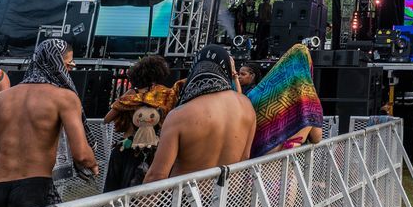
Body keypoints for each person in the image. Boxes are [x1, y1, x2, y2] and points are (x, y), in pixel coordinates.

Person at [0, 38, 94, 207]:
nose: (69, 70)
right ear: (56, 63)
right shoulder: (64, 98)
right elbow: (81, 154)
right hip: (35, 187)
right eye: (69, 65)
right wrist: (92, 164)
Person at [147, 46, 255, 181]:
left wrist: (142, 202)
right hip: (226, 197)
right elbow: (245, 158)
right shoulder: (247, 106)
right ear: (226, 69)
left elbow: (157, 175)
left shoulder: (180, 115)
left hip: (185, 198)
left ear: (196, 68)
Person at [103, 55, 175, 191]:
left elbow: (107, 119)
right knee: (139, 196)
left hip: (125, 148)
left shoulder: (131, 95)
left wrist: (127, 105)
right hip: (150, 151)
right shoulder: (163, 97)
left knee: (113, 194)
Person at [248, 42, 327, 156]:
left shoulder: (259, 93)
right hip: (284, 164)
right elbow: (316, 138)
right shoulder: (309, 101)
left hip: (254, 163)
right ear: (307, 66)